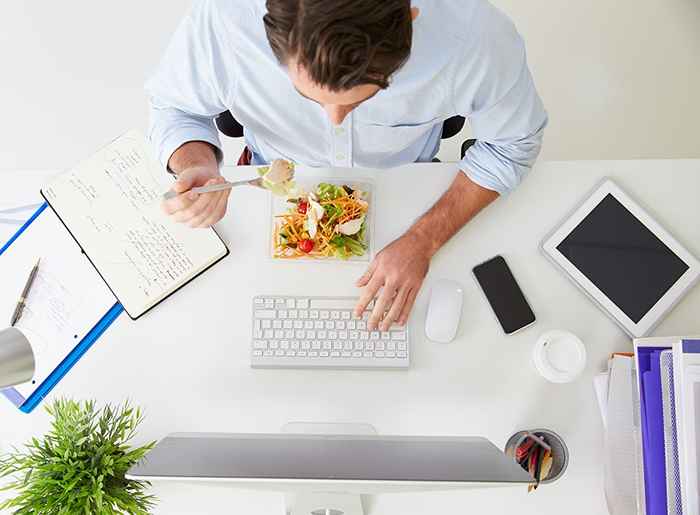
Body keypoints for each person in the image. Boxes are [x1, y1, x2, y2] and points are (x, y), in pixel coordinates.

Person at [146, 0, 547, 332]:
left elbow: (512, 145)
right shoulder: (223, 23)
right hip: (266, 187)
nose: (334, 120)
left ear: (410, 17)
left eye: (359, 101)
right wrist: (193, 160)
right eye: (309, 98)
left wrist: (424, 240)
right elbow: (174, 108)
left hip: (407, 192)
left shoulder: (476, 38)